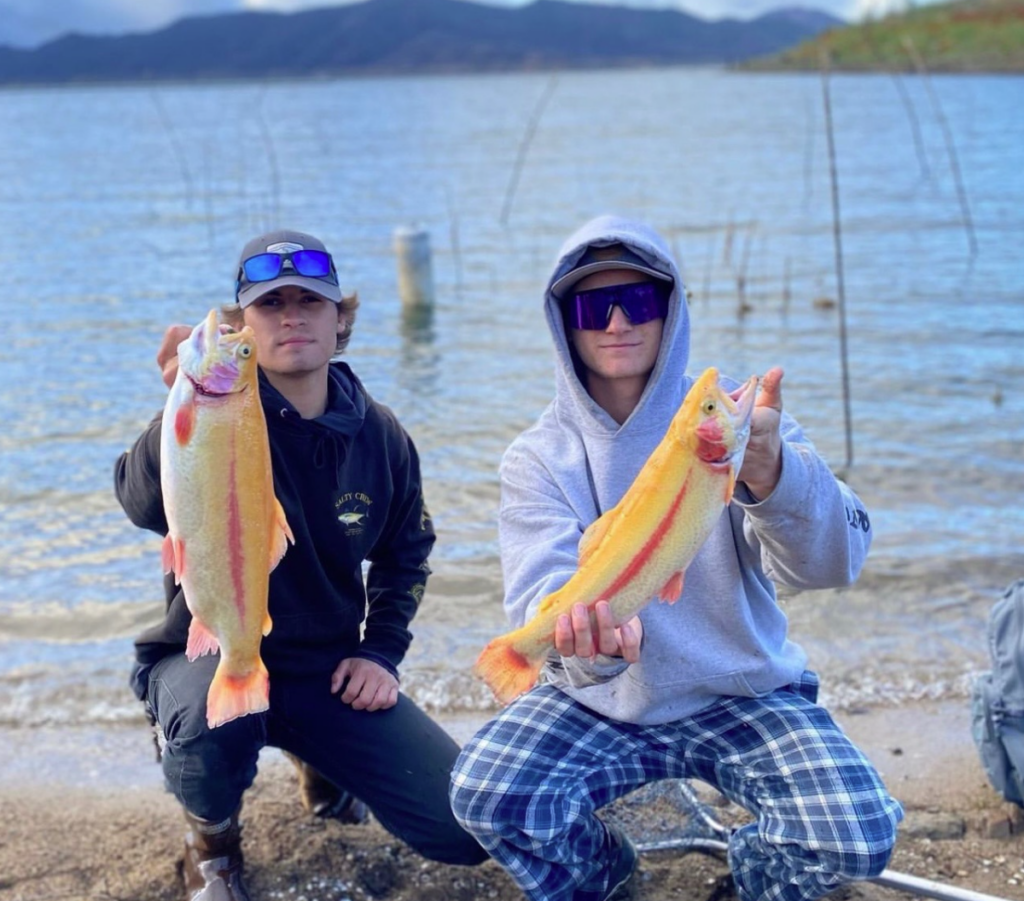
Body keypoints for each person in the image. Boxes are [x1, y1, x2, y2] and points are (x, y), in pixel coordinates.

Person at [449, 215, 903, 901]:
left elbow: (831, 565)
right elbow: (540, 595)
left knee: (857, 832)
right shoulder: (537, 458)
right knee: (487, 791)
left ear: (670, 308)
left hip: (742, 690)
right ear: (563, 323)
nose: (614, 322)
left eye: (637, 301)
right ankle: (607, 874)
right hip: (600, 701)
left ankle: (750, 879)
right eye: (589, 306)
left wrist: (776, 476)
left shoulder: (746, 433)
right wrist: (587, 651)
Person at [115, 229, 487, 901]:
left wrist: (382, 653)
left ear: (339, 318)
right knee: (209, 726)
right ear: (240, 328)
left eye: (310, 302)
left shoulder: (383, 435)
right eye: (270, 303)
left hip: (325, 668)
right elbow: (140, 501)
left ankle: (319, 759)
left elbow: (408, 554)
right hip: (209, 649)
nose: (291, 315)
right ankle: (214, 842)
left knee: (464, 829)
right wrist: (174, 408)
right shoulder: (209, 406)